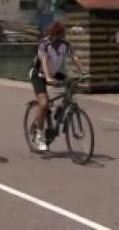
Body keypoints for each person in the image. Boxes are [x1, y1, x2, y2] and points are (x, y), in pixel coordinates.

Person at [29, 21, 85, 151]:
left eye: (55, 35)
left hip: (53, 73)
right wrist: (48, 77)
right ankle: (39, 134)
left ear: (61, 35)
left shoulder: (65, 45)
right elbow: (43, 61)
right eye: (51, 34)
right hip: (38, 73)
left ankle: (61, 109)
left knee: (72, 83)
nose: (52, 37)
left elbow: (74, 57)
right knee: (43, 104)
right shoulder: (44, 44)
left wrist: (84, 72)